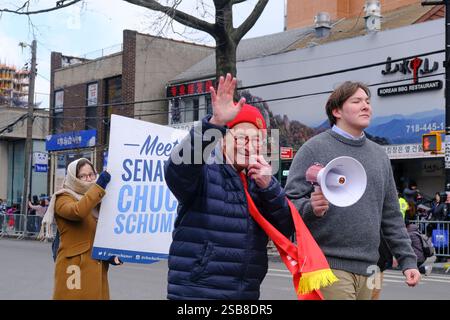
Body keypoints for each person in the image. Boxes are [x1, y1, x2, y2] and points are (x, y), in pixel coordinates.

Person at [164, 74, 335, 300]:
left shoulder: (260, 182)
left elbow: (284, 229)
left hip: (246, 293)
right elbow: (176, 171)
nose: (250, 145)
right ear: (223, 140)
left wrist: (269, 188)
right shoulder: (205, 171)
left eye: (257, 140)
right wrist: (213, 125)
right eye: (242, 137)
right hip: (197, 294)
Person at [285, 81, 420, 300]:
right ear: (336, 111)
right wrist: (310, 208)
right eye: (356, 101)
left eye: (367, 101)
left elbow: (391, 214)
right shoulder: (313, 148)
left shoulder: (379, 155)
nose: (366, 106)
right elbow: (288, 203)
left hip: (371, 267)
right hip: (328, 264)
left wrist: (407, 260)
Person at [40, 158, 121, 300]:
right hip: (74, 269)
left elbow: (97, 236)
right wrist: (100, 185)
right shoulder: (63, 198)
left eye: (91, 174)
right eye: (82, 176)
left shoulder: (98, 200)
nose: (88, 179)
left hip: (97, 267)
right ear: (73, 178)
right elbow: (78, 211)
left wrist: (109, 256)